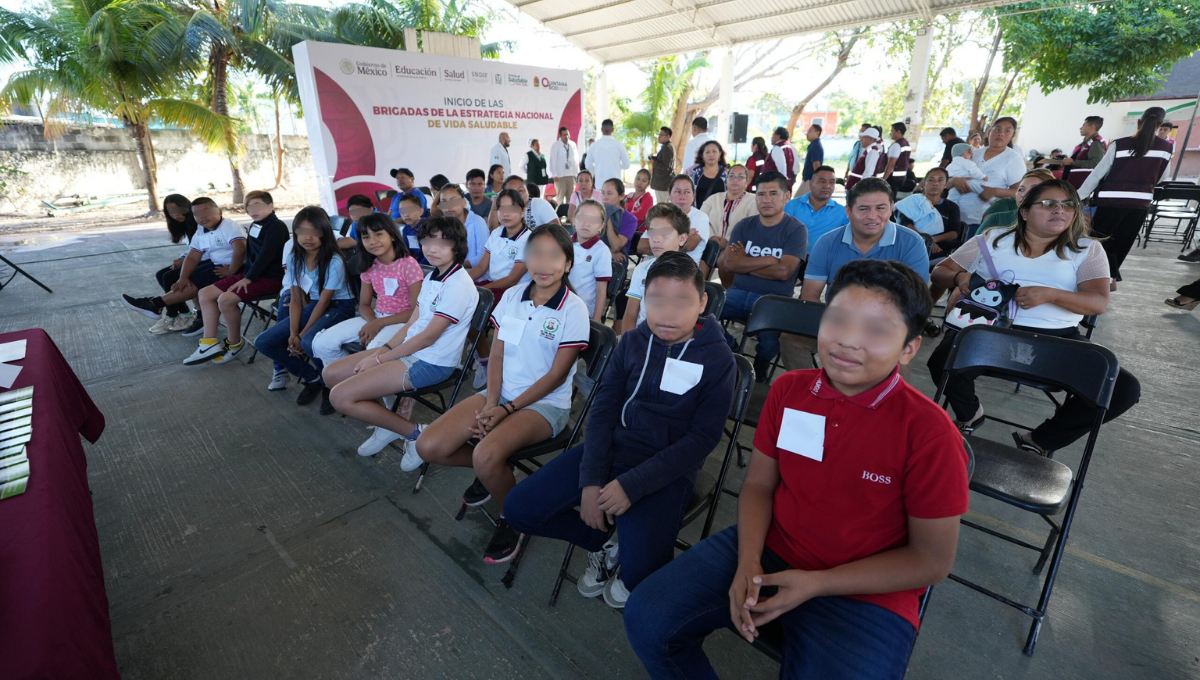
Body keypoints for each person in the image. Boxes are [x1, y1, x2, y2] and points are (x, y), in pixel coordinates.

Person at [624, 259, 969, 680]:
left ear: (909, 347)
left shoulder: (929, 432)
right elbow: (758, 485)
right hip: (772, 545)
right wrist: (749, 561)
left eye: (876, 330)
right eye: (838, 319)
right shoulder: (791, 390)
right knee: (647, 617)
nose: (848, 341)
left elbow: (931, 560)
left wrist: (817, 583)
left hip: (867, 591)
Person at [505, 252, 735, 609]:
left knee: (642, 574)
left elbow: (703, 438)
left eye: (682, 302)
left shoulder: (717, 358)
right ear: (644, 298)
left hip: (667, 468)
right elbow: (602, 411)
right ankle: (605, 541)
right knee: (519, 509)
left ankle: (627, 547)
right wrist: (591, 480)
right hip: (613, 450)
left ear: (703, 302)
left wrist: (634, 486)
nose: (668, 313)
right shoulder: (630, 342)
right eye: (657, 300)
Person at [416, 224, 590, 564]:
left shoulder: (574, 309)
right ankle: (496, 470)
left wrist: (506, 410)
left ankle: (513, 515)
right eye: (535, 253)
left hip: (543, 406)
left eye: (554, 255)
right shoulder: (513, 296)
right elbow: (496, 353)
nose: (543, 263)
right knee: (428, 446)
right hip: (499, 396)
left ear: (568, 264)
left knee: (484, 454)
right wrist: (493, 401)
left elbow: (556, 376)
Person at [928, 179, 1141, 453]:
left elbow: (1098, 302)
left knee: (1123, 389)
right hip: (989, 332)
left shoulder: (1086, 249)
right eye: (1049, 204)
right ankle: (970, 413)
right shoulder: (992, 239)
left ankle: (1041, 440)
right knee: (942, 360)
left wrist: (1052, 295)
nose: (1060, 211)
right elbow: (939, 272)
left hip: (1058, 339)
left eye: (1068, 205)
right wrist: (960, 276)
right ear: (1025, 212)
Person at [325, 215, 479, 458]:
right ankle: (390, 424)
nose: (432, 248)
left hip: (431, 362)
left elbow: (427, 338)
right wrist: (383, 349)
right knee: (330, 374)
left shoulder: (457, 285)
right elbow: (413, 322)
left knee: (341, 397)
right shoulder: (433, 276)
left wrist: (378, 360)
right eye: (427, 241)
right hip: (412, 350)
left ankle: (414, 433)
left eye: (443, 241)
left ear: (457, 244)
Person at [309, 213, 424, 413]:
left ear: (393, 236)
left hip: (403, 322)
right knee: (322, 343)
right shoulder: (370, 265)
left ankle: (395, 409)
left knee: (375, 358)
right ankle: (363, 392)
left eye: (378, 234)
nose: (372, 241)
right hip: (376, 316)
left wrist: (378, 325)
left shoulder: (408, 264)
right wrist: (372, 322)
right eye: (366, 237)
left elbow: (416, 311)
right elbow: (363, 304)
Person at [254, 206, 356, 407]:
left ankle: (330, 385)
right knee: (264, 342)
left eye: (314, 232)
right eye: (302, 231)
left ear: (324, 234)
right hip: (315, 305)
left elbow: (326, 301)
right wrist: (293, 332)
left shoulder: (333, 260)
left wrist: (302, 334)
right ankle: (313, 378)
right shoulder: (294, 258)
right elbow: (297, 298)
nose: (308, 237)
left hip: (339, 307)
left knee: (309, 341)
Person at [717, 171, 807, 379]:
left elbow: (784, 272)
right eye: (760, 194)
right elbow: (730, 263)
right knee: (701, 312)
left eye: (773, 193)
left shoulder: (796, 230)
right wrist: (769, 260)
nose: (766, 200)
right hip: (738, 292)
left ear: (786, 197)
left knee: (770, 343)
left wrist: (745, 261)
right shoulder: (744, 225)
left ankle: (760, 365)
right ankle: (732, 349)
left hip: (773, 300)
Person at [185, 190, 288, 365]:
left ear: (270, 206)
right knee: (205, 293)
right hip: (251, 274)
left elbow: (265, 256)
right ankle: (208, 343)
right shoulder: (256, 224)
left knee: (225, 300)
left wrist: (247, 278)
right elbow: (251, 254)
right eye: (249, 206)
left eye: (258, 205)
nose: (253, 210)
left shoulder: (276, 227)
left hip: (270, 279)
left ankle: (235, 343)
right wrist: (244, 274)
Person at [121, 197, 243, 337]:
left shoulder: (229, 226)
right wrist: (182, 278)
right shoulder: (201, 231)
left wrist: (232, 270)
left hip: (235, 268)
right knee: (186, 276)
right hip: (218, 265)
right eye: (197, 214)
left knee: (198, 279)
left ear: (219, 211)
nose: (202, 216)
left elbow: (240, 249)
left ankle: (156, 305)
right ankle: (158, 306)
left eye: (206, 211)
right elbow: (192, 256)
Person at [1077, 106, 1173, 283]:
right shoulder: (1166, 148)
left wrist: (1078, 196)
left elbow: (1098, 174)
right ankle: (1107, 282)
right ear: (1160, 124)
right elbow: (1163, 177)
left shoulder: (1120, 144)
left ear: (1138, 122)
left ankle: (1087, 283)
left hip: (1109, 203)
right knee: (1120, 245)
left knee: (1097, 244)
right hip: (1139, 205)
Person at [802, 178, 930, 303]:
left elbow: (915, 301)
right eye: (863, 209)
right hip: (840, 319)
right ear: (848, 211)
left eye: (880, 208)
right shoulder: (826, 243)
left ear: (891, 208)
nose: (872, 216)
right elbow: (809, 296)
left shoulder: (912, 243)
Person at [949, 117, 1027, 239]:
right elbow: (947, 180)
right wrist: (955, 180)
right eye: (997, 129)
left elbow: (1021, 193)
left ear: (1012, 135)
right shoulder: (973, 154)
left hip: (984, 221)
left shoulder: (1014, 159)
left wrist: (996, 191)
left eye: (1007, 131)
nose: (1001, 133)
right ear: (989, 131)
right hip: (956, 217)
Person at [623, 203, 691, 334]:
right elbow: (630, 314)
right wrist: (629, 344)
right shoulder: (641, 269)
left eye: (664, 233)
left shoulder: (689, 275)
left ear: (682, 239)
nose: (656, 239)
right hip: (639, 338)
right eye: (652, 233)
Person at [146, 194, 201, 334]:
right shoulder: (184, 226)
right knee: (161, 274)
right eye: (171, 212)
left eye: (178, 210)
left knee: (168, 277)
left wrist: (184, 261)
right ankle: (184, 314)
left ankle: (171, 315)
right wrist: (181, 259)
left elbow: (206, 249)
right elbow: (192, 248)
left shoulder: (198, 222)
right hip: (196, 258)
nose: (175, 214)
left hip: (207, 261)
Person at [638, 175, 711, 267]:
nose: (682, 197)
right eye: (677, 192)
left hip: (683, 270)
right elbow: (642, 246)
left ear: (693, 195)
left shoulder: (700, 217)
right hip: (653, 266)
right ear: (669, 193)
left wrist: (657, 244)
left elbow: (689, 245)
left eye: (687, 192)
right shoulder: (660, 215)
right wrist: (681, 235)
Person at [471, 188, 532, 298]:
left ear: (522, 211)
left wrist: (482, 290)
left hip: (512, 292)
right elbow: (481, 267)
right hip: (491, 284)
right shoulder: (496, 233)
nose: (506, 214)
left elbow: (512, 280)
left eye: (512, 209)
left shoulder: (529, 239)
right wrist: (460, 280)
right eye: (502, 209)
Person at [784, 165, 849, 256]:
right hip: (793, 256)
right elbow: (781, 234)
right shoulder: (792, 206)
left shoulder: (842, 212)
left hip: (824, 259)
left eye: (832, 182)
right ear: (810, 184)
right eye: (822, 181)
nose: (827, 186)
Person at [569, 199, 614, 321]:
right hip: (560, 305)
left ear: (601, 226)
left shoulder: (601, 251)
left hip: (583, 311)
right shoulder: (565, 243)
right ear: (574, 219)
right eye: (582, 218)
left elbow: (601, 291)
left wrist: (596, 321)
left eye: (593, 220)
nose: (587, 223)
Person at [700, 163, 758, 253]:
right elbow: (701, 220)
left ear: (746, 182)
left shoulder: (754, 201)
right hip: (709, 247)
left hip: (738, 250)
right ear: (726, 180)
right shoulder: (713, 199)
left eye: (740, 177)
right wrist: (712, 238)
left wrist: (728, 241)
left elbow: (751, 228)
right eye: (731, 176)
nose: (735, 180)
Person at [977, 169, 1055, 234]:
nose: (1024, 194)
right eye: (1021, 189)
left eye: (1033, 189)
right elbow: (973, 248)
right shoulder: (996, 219)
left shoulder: (1059, 221)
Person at [438, 184, 490, 269]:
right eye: (444, 202)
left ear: (464, 202)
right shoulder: (442, 226)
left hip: (476, 274)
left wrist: (453, 266)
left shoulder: (477, 222)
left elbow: (483, 258)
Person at [487, 174, 559, 231]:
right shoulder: (504, 210)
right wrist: (495, 203)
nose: (517, 195)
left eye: (520, 190)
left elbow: (557, 230)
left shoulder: (539, 204)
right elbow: (493, 230)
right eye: (512, 192)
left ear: (527, 191)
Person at [1061, 116, 1107, 189]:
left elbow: (1096, 163)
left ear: (1092, 127)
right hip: (1076, 183)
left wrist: (1073, 162)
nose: (1080, 128)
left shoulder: (1096, 143)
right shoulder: (1087, 143)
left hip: (1084, 185)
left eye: (1083, 125)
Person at [600, 178, 639, 261]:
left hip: (618, 263)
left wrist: (608, 218)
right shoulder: (597, 213)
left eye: (609, 194)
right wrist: (609, 252)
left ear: (621, 196)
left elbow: (616, 247)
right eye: (603, 193)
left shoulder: (630, 220)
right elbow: (588, 239)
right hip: (597, 256)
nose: (605, 197)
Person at [585, 118, 631, 186]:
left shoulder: (594, 146)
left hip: (600, 184)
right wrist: (617, 166)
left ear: (601, 130)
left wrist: (598, 167)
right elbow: (627, 165)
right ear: (613, 130)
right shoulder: (619, 145)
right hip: (615, 184)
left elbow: (588, 165)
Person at [689, 140, 728, 209]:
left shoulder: (727, 174)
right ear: (702, 155)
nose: (711, 155)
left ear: (720, 154)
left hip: (720, 215)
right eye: (707, 152)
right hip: (699, 214)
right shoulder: (695, 173)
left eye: (714, 151)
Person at [761, 126, 801, 191]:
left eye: (773, 135)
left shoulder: (778, 148)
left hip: (774, 183)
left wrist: (782, 185)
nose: (771, 137)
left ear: (778, 136)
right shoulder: (789, 147)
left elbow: (782, 167)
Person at [549, 127, 579, 202]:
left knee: (571, 198)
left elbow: (576, 159)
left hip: (571, 175)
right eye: (564, 135)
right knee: (560, 197)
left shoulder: (573, 144)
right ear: (560, 136)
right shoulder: (556, 145)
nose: (566, 137)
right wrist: (554, 174)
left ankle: (570, 213)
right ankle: (557, 213)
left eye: (567, 134)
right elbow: (552, 161)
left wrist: (577, 173)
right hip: (560, 176)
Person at [795, 123, 824, 197]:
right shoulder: (814, 145)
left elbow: (816, 165)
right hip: (810, 179)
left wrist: (817, 181)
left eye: (810, 131)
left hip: (810, 180)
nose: (807, 134)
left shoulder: (815, 146)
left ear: (817, 133)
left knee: (797, 201)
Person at [649, 127, 675, 203]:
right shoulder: (666, 147)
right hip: (662, 183)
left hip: (663, 183)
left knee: (662, 206)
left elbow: (666, 166)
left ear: (668, 137)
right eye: (659, 135)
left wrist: (654, 162)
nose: (659, 137)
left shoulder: (667, 148)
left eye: (661, 135)